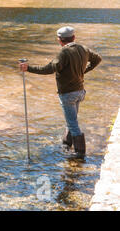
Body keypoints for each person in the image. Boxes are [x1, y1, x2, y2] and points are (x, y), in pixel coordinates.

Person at [19, 26, 102, 158]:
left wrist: (28, 68)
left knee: (73, 123)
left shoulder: (64, 53)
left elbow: (49, 69)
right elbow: (97, 59)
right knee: (72, 120)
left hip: (68, 94)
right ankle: (66, 144)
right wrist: (82, 72)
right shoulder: (83, 48)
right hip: (80, 91)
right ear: (74, 37)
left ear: (59, 40)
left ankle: (80, 153)